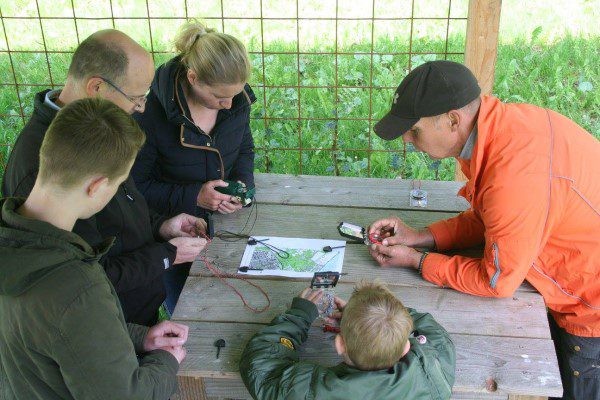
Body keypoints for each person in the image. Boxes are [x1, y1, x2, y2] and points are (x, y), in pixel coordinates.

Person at [368, 60, 600, 400]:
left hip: (588, 305)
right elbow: (494, 217)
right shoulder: (503, 131)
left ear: (452, 119)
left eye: (414, 130)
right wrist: (419, 235)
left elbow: (497, 281)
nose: (407, 138)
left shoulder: (515, 174)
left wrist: (417, 261)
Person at [1, 29, 207, 326]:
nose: (141, 108)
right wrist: (167, 255)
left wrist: (162, 226)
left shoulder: (98, 129)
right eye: (136, 98)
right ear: (96, 87)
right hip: (104, 323)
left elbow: (123, 207)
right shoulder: (44, 170)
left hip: (135, 314)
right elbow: (88, 275)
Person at [0, 98, 188, 399]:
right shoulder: (77, 286)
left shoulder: (16, 242)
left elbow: (58, 331)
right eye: (119, 184)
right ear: (97, 186)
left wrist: (139, 336)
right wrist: (166, 361)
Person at [132, 20, 256, 314]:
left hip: (225, 226)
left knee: (232, 305)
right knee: (186, 308)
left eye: (235, 95)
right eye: (219, 97)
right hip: (172, 231)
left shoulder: (236, 102)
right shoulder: (150, 116)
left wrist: (240, 187)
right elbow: (135, 187)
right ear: (193, 77)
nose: (229, 104)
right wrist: (195, 197)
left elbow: (244, 150)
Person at [239, 281, 455, 400]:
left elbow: (260, 366)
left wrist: (299, 316)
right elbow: (435, 333)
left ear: (339, 344)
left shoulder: (311, 389)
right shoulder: (433, 371)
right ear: (406, 347)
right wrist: (375, 318)